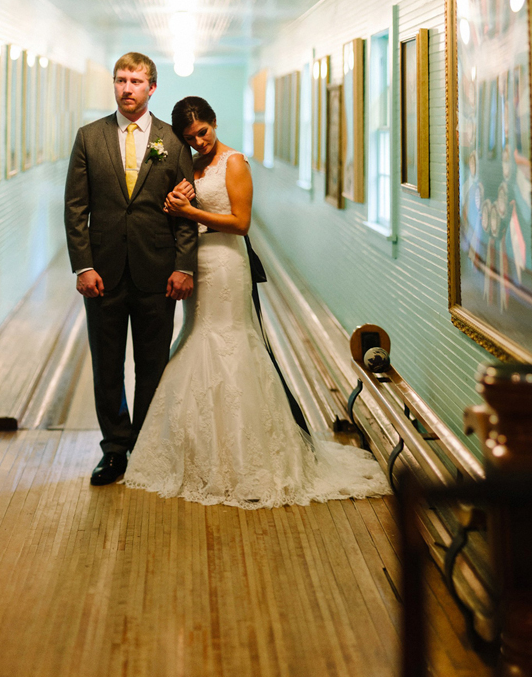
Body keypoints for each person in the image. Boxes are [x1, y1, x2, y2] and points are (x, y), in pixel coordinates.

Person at [124, 97, 390, 508]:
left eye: (203, 132)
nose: (199, 141)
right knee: (197, 338)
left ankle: (247, 458)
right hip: (199, 262)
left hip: (228, 262)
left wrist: (191, 211)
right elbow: (178, 212)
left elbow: (241, 222)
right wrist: (175, 205)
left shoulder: (235, 163)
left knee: (228, 341)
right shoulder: (193, 166)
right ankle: (199, 456)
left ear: (214, 123)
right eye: (190, 137)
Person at [65, 53, 198, 486]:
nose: (127, 88)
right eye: (121, 80)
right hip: (102, 274)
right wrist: (83, 265)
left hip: (157, 272)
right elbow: (75, 208)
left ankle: (146, 445)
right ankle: (115, 450)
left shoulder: (172, 142)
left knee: (152, 364)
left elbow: (186, 212)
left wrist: (183, 267)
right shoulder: (89, 137)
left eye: (136, 81)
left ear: (152, 88)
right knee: (107, 365)